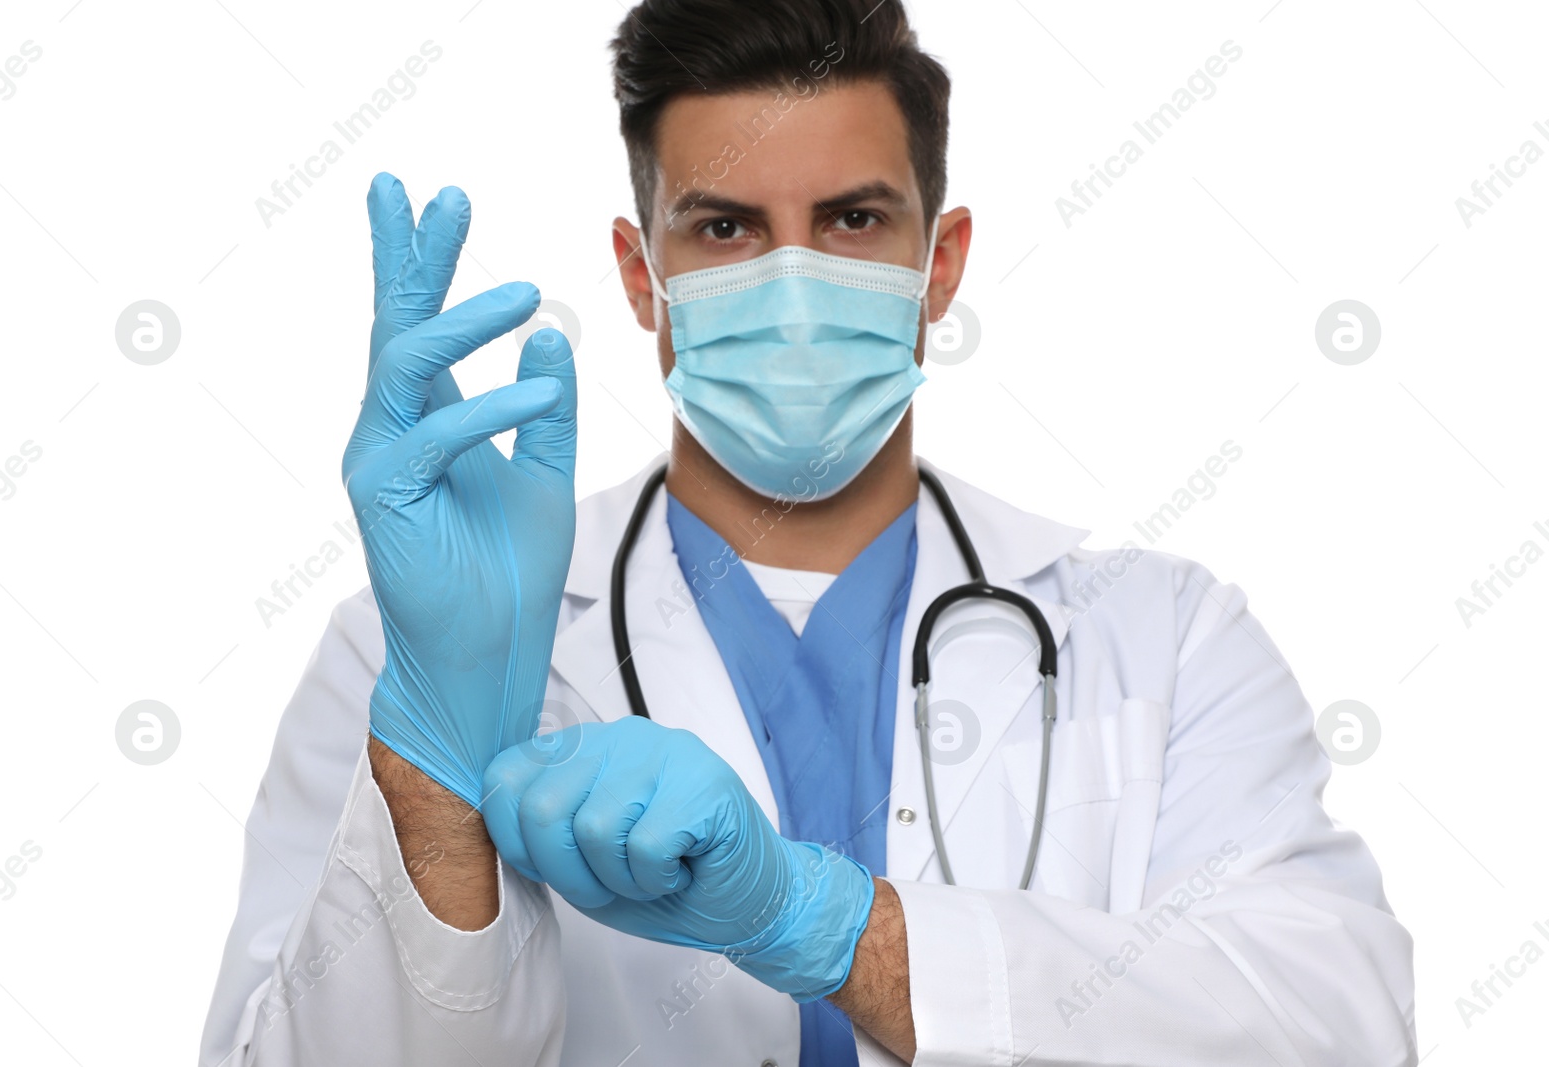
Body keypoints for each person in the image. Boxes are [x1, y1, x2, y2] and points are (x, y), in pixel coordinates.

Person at [199, 1, 1416, 1063]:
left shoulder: (1162, 636)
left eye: (850, 220)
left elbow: (1338, 1025)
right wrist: (437, 792)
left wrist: (820, 921)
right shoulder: (406, 654)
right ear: (641, 276)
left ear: (939, 265)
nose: (791, 281)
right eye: (724, 228)